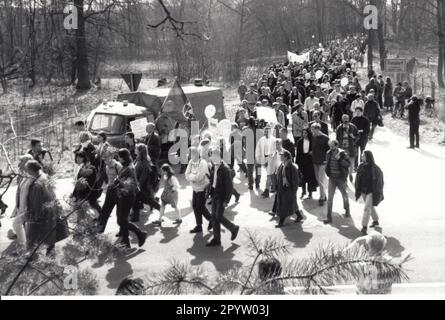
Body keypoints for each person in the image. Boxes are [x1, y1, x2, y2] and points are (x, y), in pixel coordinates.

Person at [113, 149, 147, 249]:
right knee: (120, 220)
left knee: (122, 220)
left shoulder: (129, 168)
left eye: (119, 157)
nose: (118, 159)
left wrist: (118, 182)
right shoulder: (125, 166)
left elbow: (131, 184)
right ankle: (126, 241)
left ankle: (139, 234)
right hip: (122, 195)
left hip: (128, 196)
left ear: (123, 158)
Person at [206, 149, 240, 247]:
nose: (211, 159)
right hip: (214, 195)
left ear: (218, 157)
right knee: (214, 217)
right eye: (211, 157)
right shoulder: (214, 167)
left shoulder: (225, 169)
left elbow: (229, 187)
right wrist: (209, 192)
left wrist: (226, 200)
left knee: (218, 216)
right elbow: (213, 181)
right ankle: (217, 239)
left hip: (221, 196)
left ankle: (234, 229)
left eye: (213, 157)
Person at [24, 160, 58, 255]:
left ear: (31, 170)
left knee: (33, 235)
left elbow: (36, 202)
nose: (27, 172)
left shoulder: (37, 184)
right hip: (50, 210)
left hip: (41, 213)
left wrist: (35, 216)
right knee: (49, 234)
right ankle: (50, 253)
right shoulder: (45, 176)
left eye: (27, 169)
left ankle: (32, 255)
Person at [355, 150, 384, 235]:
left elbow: (380, 182)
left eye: (363, 156)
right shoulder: (361, 166)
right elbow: (358, 178)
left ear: (368, 157)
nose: (362, 157)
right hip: (363, 191)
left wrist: (378, 192)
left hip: (371, 191)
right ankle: (375, 220)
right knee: (369, 206)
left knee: (367, 208)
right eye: (362, 156)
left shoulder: (375, 168)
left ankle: (364, 227)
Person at [9, 155, 34, 250]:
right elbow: (19, 193)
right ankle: (25, 246)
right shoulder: (24, 176)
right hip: (21, 207)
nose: (19, 164)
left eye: (21, 161)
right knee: (19, 225)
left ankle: (25, 247)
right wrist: (16, 208)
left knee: (17, 224)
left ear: (27, 163)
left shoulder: (32, 177)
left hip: (27, 208)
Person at [131, 144, 161, 222]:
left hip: (144, 188)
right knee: (136, 201)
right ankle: (135, 217)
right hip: (140, 186)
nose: (135, 150)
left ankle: (161, 210)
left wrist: (138, 187)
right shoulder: (137, 160)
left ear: (140, 151)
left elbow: (143, 177)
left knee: (150, 202)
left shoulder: (144, 163)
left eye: (136, 149)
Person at [185, 147, 213, 234]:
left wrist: (192, 178)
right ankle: (199, 226)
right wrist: (193, 178)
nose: (188, 155)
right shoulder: (191, 162)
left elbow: (199, 177)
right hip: (195, 188)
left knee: (200, 206)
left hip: (203, 188)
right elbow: (186, 174)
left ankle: (211, 220)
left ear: (195, 154)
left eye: (190, 153)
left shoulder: (203, 163)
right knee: (195, 206)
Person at [324, 140, 351, 224]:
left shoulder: (343, 153)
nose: (331, 148)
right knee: (330, 198)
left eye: (332, 146)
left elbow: (348, 164)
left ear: (336, 145)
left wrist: (339, 160)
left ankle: (347, 210)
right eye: (330, 146)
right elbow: (327, 163)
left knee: (344, 195)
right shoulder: (328, 153)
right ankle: (329, 217)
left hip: (341, 179)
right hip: (332, 178)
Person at [275, 150, 303, 227]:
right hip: (282, 188)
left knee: (285, 205)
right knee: (291, 204)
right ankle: (299, 216)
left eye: (282, 156)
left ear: (286, 157)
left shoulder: (292, 167)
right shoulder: (282, 165)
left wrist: (293, 190)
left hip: (289, 189)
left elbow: (295, 180)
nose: (280, 157)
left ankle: (281, 222)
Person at [97, 149, 123, 234]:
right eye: (103, 158)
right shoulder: (106, 166)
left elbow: (123, 180)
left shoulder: (118, 166)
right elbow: (106, 178)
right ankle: (100, 230)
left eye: (106, 157)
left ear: (111, 156)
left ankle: (123, 231)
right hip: (110, 191)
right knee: (105, 211)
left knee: (120, 215)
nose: (104, 159)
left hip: (118, 192)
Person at [71, 151, 102, 218]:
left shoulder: (91, 168)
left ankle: (101, 217)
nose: (78, 159)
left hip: (90, 192)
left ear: (84, 158)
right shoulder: (79, 167)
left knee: (93, 204)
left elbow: (89, 179)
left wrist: (83, 182)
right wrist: (74, 193)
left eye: (80, 158)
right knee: (84, 207)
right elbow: (78, 181)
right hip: (81, 191)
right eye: (77, 157)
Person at [310, 123, 330, 206]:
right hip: (315, 161)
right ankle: (324, 194)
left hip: (322, 162)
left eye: (313, 129)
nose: (312, 131)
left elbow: (329, 151)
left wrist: (326, 160)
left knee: (321, 179)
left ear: (317, 129)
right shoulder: (314, 137)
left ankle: (321, 197)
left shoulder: (325, 138)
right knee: (318, 179)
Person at [336, 114, 358, 183]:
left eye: (347, 118)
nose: (345, 120)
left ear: (349, 119)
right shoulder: (339, 127)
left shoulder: (353, 127)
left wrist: (354, 137)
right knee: (344, 164)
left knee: (351, 163)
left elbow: (358, 136)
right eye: (344, 118)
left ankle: (350, 174)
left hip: (351, 148)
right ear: (342, 120)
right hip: (342, 148)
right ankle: (345, 178)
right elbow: (337, 138)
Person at [296, 129, 318, 200]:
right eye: (303, 133)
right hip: (302, 160)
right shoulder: (300, 141)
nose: (304, 134)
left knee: (310, 178)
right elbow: (298, 153)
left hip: (310, 160)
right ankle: (303, 192)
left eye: (306, 133)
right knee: (302, 178)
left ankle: (310, 193)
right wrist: (297, 162)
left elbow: (315, 150)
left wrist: (313, 153)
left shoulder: (312, 141)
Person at [256, 125, 276, 198]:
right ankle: (272, 188)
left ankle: (267, 190)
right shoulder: (261, 139)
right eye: (265, 131)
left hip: (271, 160)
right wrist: (258, 159)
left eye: (268, 131)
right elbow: (258, 149)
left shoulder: (273, 140)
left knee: (269, 175)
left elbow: (274, 150)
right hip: (264, 159)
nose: (266, 132)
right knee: (270, 175)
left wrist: (270, 160)